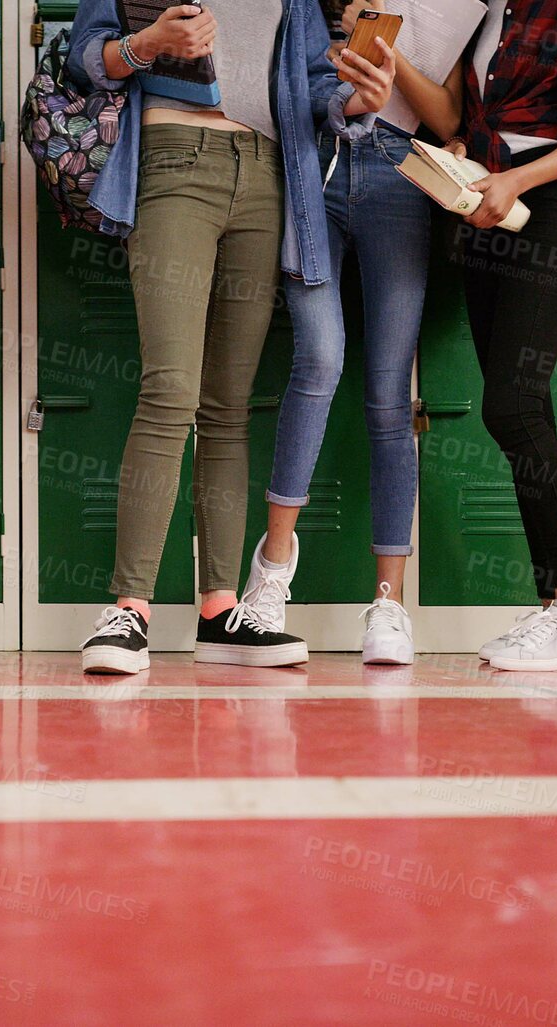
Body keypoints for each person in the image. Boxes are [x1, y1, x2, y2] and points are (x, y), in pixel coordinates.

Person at [67, 1, 396, 675]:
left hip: (268, 173)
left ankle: (219, 610)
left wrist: (354, 100)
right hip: (172, 158)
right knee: (170, 390)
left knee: (225, 406)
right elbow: (85, 58)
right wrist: (150, 43)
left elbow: (310, 86)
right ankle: (129, 609)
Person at [398, 0, 557, 671]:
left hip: (549, 214)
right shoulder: (484, 11)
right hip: (483, 216)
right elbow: (472, 121)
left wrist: (516, 178)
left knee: (511, 405)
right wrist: (466, 154)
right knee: (525, 409)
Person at [242, 0, 450, 666]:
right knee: (319, 360)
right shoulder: (301, 6)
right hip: (313, 175)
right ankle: (271, 574)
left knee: (390, 395)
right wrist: (343, 93)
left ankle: (389, 604)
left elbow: (449, 113)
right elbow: (278, 90)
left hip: (400, 173)